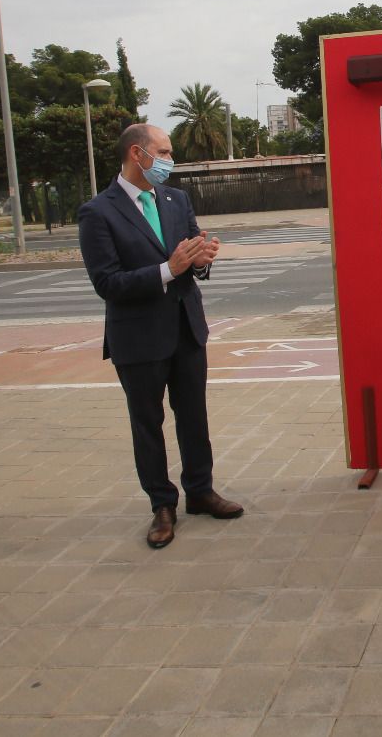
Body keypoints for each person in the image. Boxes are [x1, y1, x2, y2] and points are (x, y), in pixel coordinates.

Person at [78, 123, 242, 548]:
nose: (171, 161)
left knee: (194, 416)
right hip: (138, 338)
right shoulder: (99, 211)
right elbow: (107, 283)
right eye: (165, 152)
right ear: (138, 154)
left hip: (186, 328)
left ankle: (201, 492)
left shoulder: (176, 199)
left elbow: (191, 258)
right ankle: (161, 505)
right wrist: (168, 269)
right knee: (148, 424)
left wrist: (202, 259)